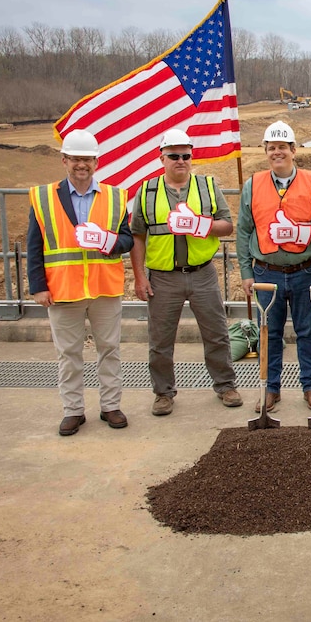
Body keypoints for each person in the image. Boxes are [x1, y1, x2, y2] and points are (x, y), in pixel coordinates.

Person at [27, 130, 134, 436]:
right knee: (69, 354)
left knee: (109, 350)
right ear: (65, 161)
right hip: (63, 289)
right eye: (75, 159)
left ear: (96, 162)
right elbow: (35, 245)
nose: (81, 165)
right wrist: (38, 287)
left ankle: (111, 406)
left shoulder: (115, 196)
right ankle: (73, 411)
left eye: (86, 159)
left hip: (104, 288)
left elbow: (127, 239)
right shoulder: (44, 197)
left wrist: (109, 241)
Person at [131, 129, 244, 416]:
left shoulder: (207, 186)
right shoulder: (146, 192)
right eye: (173, 156)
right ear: (162, 158)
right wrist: (140, 276)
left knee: (217, 333)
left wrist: (201, 224)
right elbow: (137, 237)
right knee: (160, 340)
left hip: (202, 273)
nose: (180, 161)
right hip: (163, 277)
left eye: (186, 155)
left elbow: (227, 225)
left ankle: (225, 385)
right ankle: (163, 393)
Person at [236, 121, 311, 413]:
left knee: (308, 332)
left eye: (283, 148)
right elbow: (243, 230)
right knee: (269, 332)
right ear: (266, 151)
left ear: (293, 150)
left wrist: (303, 231)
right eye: (271, 148)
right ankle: (270, 388)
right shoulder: (253, 185)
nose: (277, 152)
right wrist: (246, 273)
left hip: (305, 270)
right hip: (267, 272)